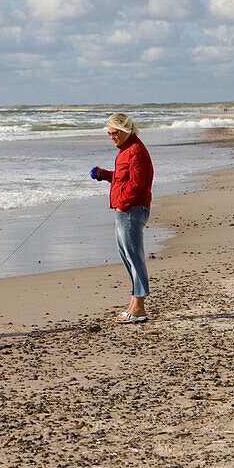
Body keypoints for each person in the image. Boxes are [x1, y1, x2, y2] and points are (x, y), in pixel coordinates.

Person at [90, 113, 154, 324]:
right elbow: (121, 178)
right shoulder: (126, 150)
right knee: (128, 257)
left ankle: (139, 308)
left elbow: (137, 184)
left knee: (134, 256)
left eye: (115, 133)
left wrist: (122, 203)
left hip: (131, 210)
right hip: (126, 209)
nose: (111, 137)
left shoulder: (135, 150)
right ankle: (134, 304)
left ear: (126, 130)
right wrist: (103, 174)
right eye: (109, 134)